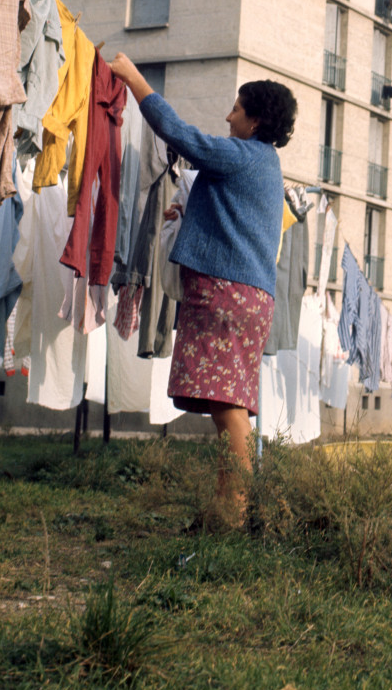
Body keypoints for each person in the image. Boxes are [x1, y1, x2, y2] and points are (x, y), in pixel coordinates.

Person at [110, 53, 297, 525]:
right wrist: (189, 216)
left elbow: (181, 136)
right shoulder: (262, 163)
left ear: (255, 120)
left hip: (228, 295)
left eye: (236, 109)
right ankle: (230, 506)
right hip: (245, 295)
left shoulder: (242, 154)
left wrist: (135, 81)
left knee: (227, 405)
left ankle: (233, 512)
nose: (228, 116)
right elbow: (235, 221)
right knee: (227, 404)